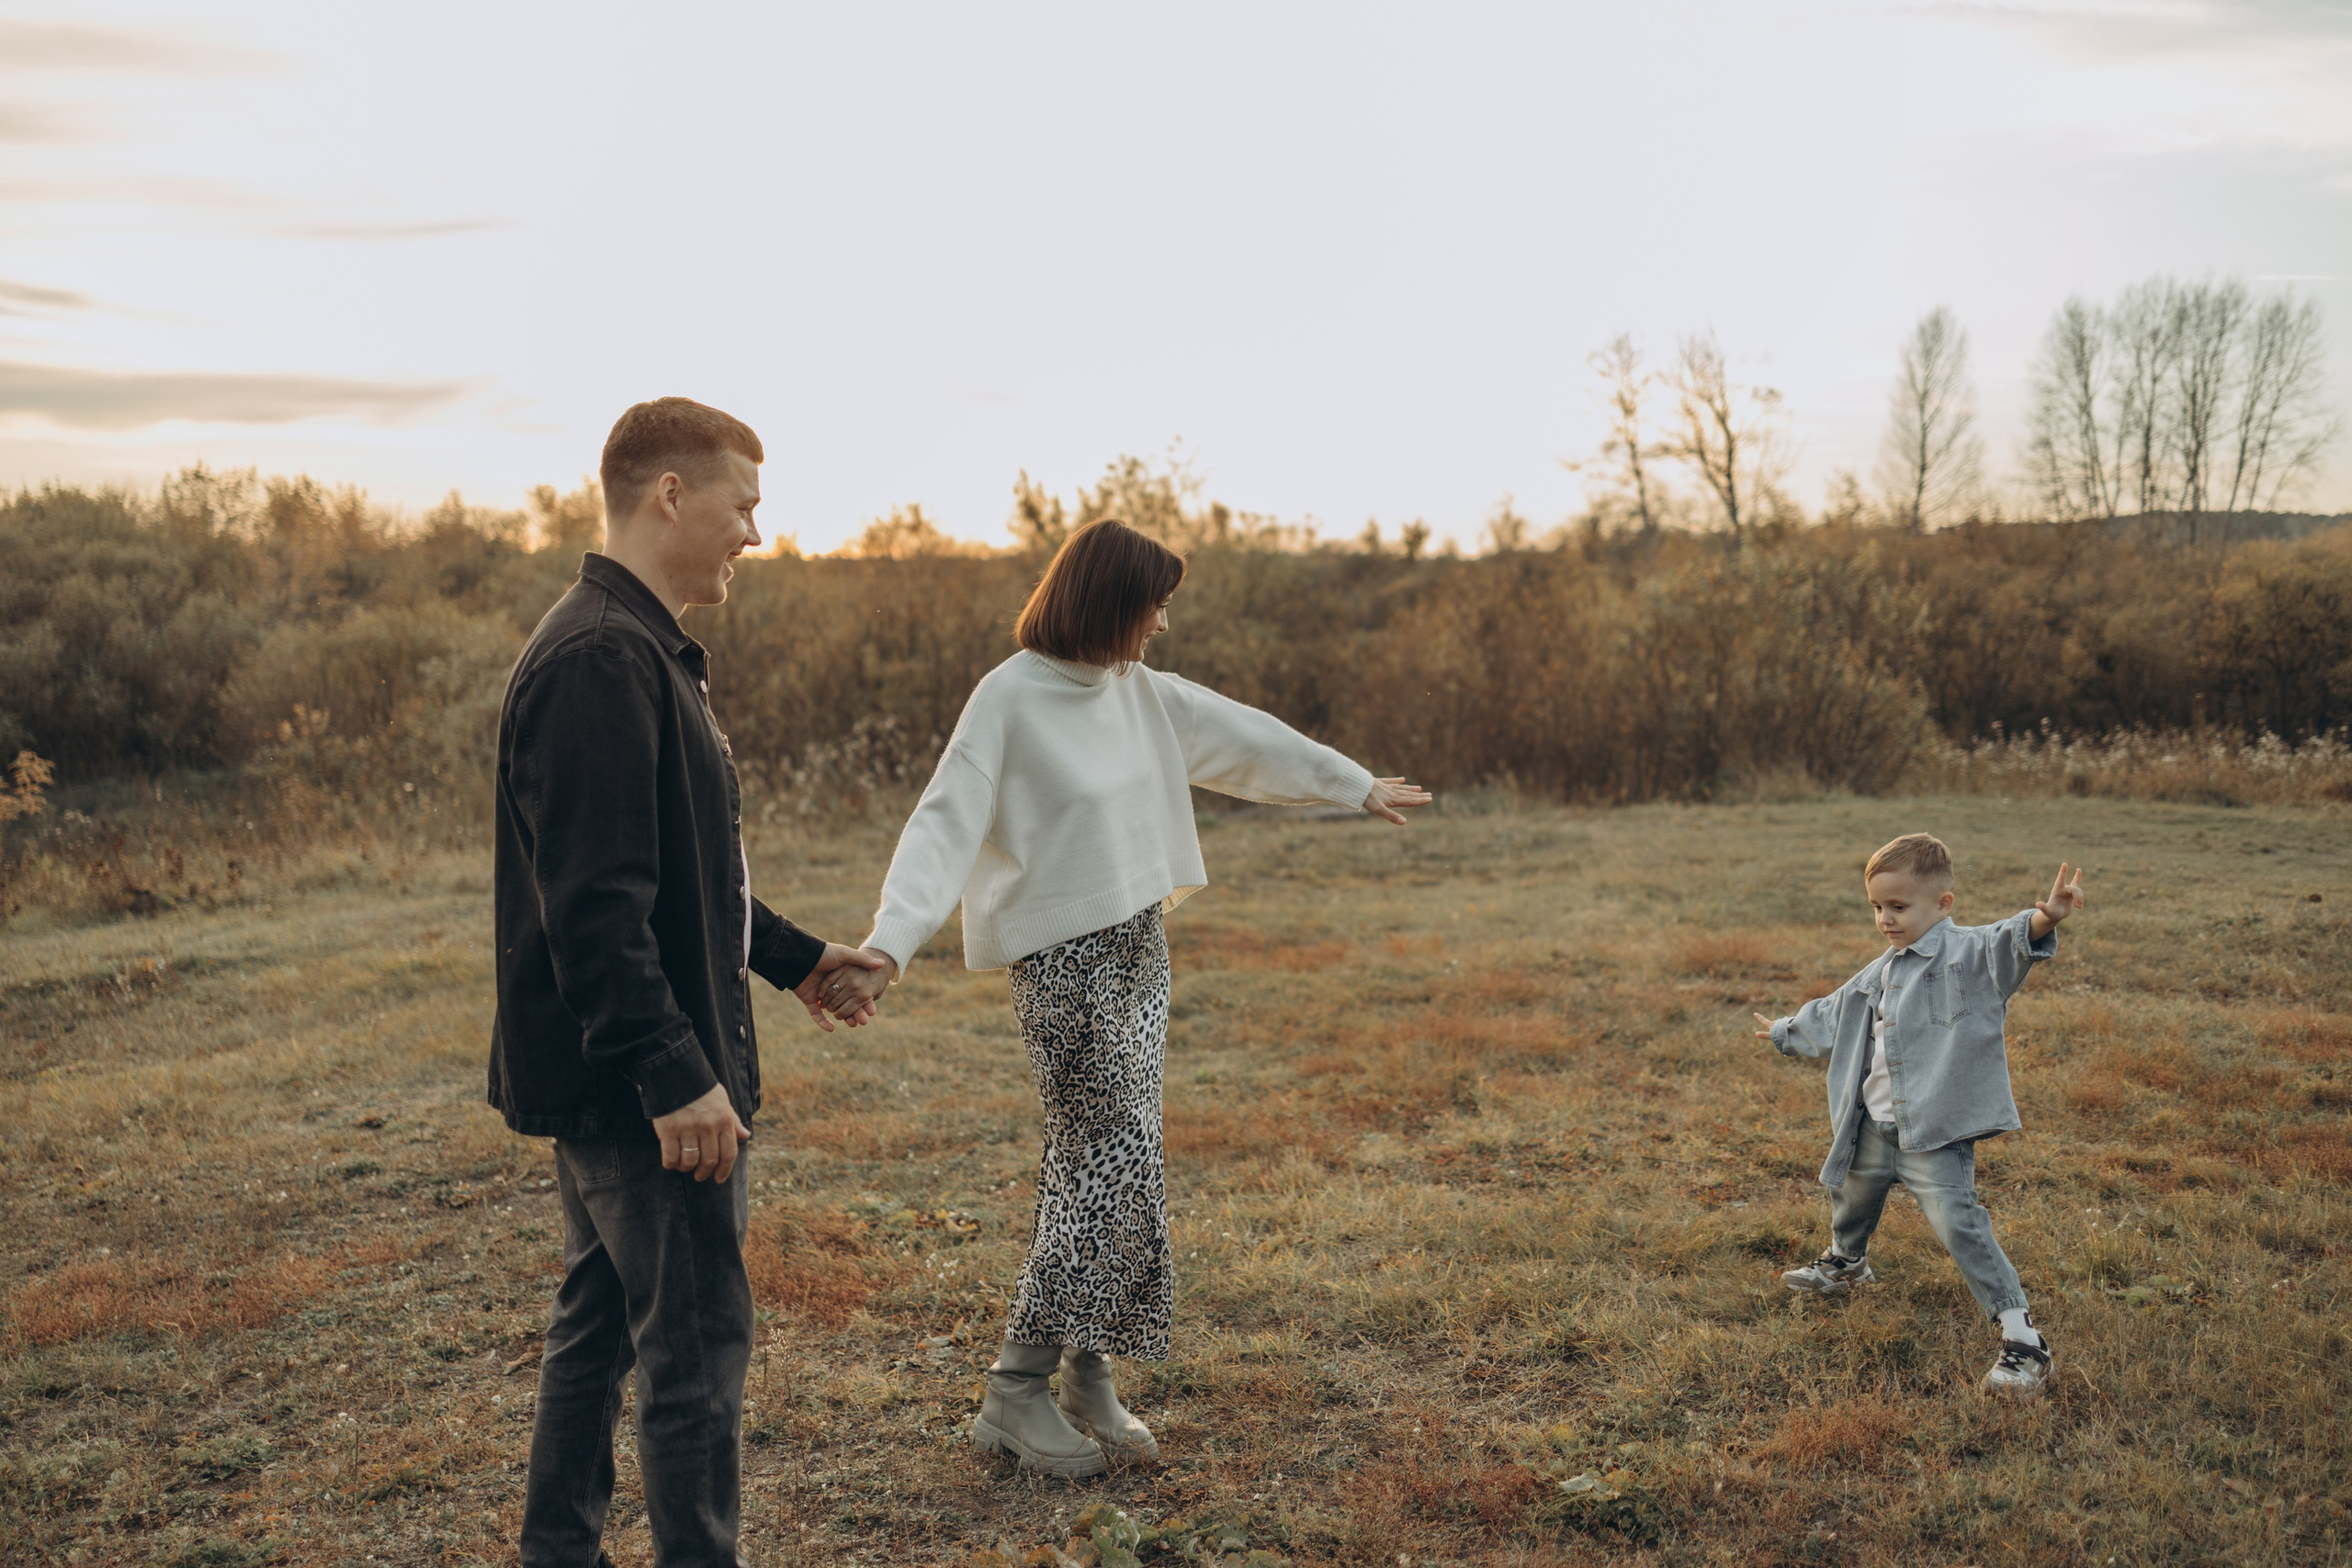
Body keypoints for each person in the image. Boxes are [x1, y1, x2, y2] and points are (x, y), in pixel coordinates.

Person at [818, 517, 1430, 1476]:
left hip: (1141, 948)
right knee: (1100, 1164)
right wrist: (889, 945)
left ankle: (1085, 1373)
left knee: (1120, 1161)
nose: (1160, 629)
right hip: (1061, 969)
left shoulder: (1137, 693)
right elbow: (942, 823)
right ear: (1107, 603)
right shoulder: (1009, 700)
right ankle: (1014, 1390)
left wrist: (1349, 786)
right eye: (1152, 610)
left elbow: (1246, 743)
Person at [488, 397, 887, 1566]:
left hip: (625, 1078)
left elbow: (680, 882)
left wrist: (801, 959)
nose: (755, 535)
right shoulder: (604, 658)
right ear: (672, 494)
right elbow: (596, 914)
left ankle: (556, 1553)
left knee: (599, 1322)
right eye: (744, 506)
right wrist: (676, 1079)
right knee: (694, 1356)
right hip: (638, 1093)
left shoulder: (634, 645)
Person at [1752, 833, 2086, 1398]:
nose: (1885, 919)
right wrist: (1787, 1031)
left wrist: (2046, 916)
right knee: (1853, 1194)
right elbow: (1835, 1008)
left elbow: (2009, 940)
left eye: (1899, 907)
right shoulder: (1881, 969)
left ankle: (2024, 1341)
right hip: (1874, 1124)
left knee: (1959, 1223)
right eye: (1878, 907)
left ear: (1943, 905)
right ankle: (1847, 1262)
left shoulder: (1971, 956)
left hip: (1934, 1132)